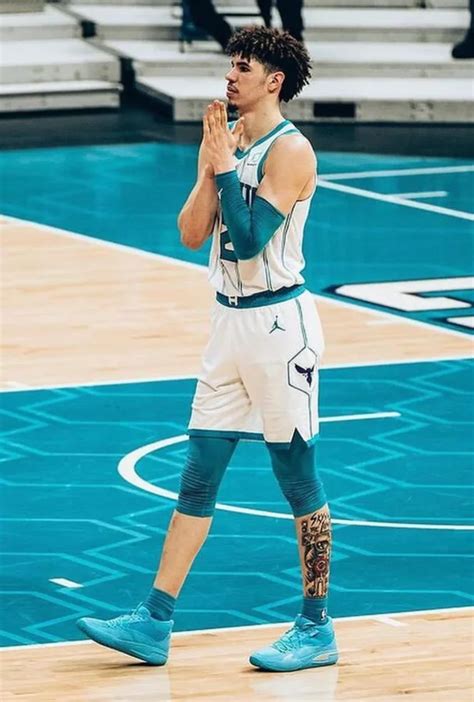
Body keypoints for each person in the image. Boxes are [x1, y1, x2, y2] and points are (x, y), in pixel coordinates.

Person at [77, 25, 338, 674]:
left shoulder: (292, 151)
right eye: (231, 64)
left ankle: (316, 627)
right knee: (198, 473)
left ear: (273, 81)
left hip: (280, 329)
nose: (230, 75)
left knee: (296, 475)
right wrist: (209, 164)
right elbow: (193, 232)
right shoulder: (228, 138)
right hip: (227, 325)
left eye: (242, 67)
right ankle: (154, 620)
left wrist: (223, 166)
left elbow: (249, 243)